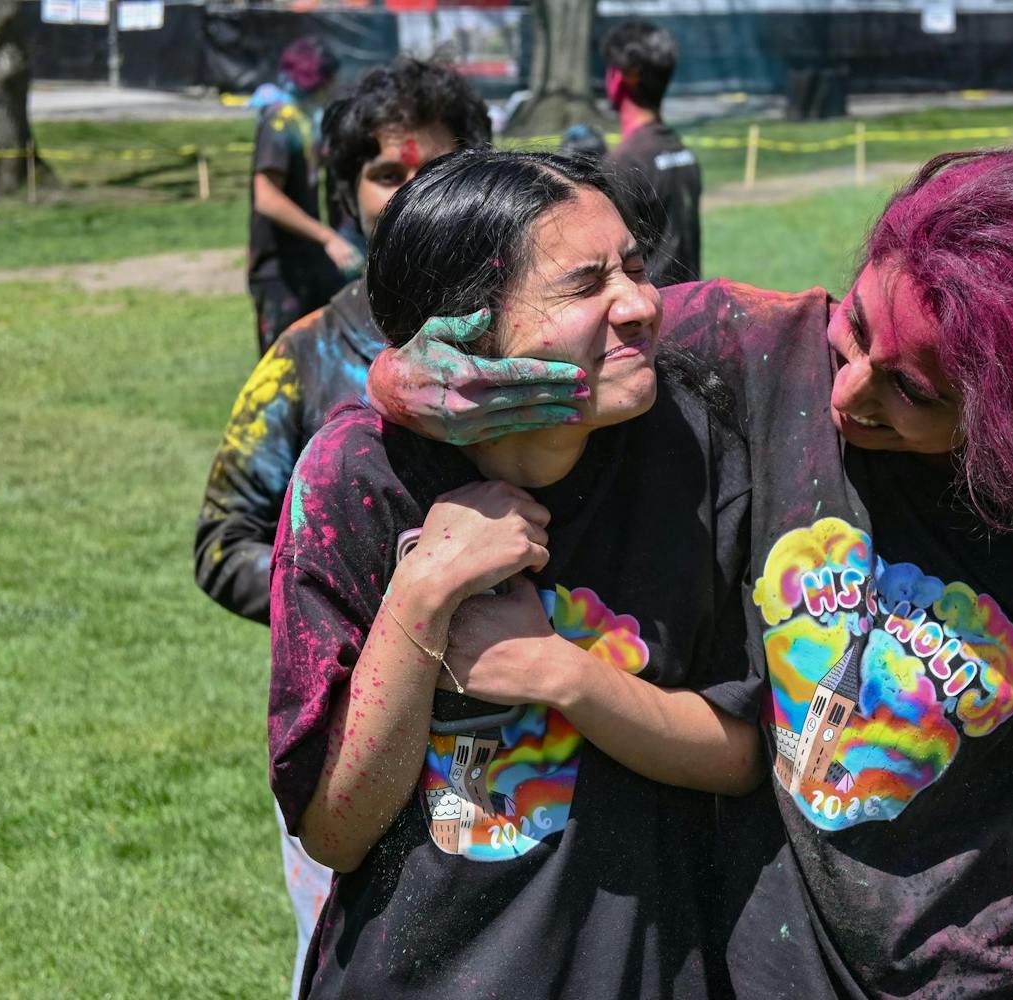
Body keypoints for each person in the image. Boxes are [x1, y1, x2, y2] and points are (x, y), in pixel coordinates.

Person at [365, 149, 1013, 999]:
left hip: (989, 967)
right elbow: (548, 349)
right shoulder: (756, 349)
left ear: (1012, 419)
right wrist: (397, 379)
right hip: (776, 970)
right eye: (858, 330)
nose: (850, 393)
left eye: (912, 392)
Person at [269, 150, 763, 997]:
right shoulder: (357, 476)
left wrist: (557, 672)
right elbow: (334, 832)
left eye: (636, 267)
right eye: (585, 285)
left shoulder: (687, 444)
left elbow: (741, 753)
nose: (641, 305)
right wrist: (423, 593)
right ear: (466, 328)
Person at [194, 58, 531, 997]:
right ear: (347, 196)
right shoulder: (305, 354)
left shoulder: (532, 340)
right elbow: (221, 540)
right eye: (387, 174)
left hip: (523, 737)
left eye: (439, 167)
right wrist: (373, 607)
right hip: (350, 733)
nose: (412, 192)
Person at [248, 36, 358, 355]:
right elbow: (266, 198)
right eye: (333, 80)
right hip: (280, 273)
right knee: (284, 367)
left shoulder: (302, 121)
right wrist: (329, 238)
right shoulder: (279, 121)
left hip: (309, 263)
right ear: (320, 80)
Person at [602, 21, 702, 287]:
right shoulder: (682, 152)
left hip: (651, 307)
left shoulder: (622, 164)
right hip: (689, 301)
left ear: (620, 77)